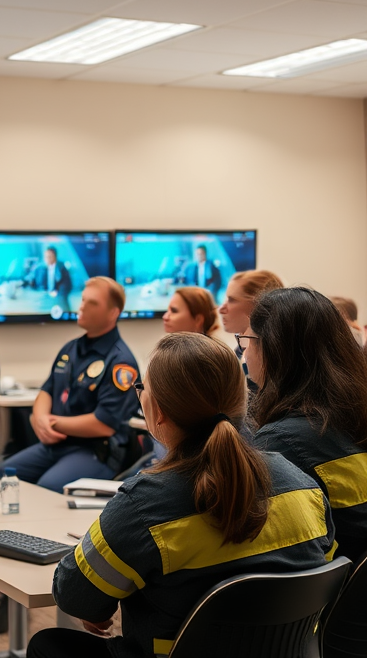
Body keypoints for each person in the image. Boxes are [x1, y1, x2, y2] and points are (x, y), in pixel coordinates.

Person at [26, 332, 336, 658]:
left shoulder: (143, 504)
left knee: (47, 646)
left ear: (158, 411)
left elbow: (73, 595)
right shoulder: (304, 485)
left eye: (141, 388)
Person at [244, 287, 367, 562]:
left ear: (274, 351)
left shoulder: (280, 442)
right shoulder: (350, 413)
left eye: (248, 340)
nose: (245, 353)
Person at [3, 277, 140, 491]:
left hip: (96, 451)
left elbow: (103, 424)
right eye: (83, 299)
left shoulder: (121, 362)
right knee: (0, 475)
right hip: (57, 445)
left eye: (92, 303)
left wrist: (50, 423)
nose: (82, 306)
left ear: (113, 313)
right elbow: (47, 391)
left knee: (47, 488)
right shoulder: (71, 348)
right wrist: (39, 418)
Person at [218, 270, 283, 393]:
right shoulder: (240, 350)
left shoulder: (274, 360)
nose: (221, 309)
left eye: (231, 300)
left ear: (258, 305)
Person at [31, 246, 72, 314]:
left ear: (55, 257)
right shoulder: (40, 268)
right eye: (46, 257)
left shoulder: (62, 268)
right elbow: (35, 282)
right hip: (44, 297)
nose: (47, 259)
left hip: (59, 297)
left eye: (50, 256)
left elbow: (67, 285)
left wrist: (57, 293)